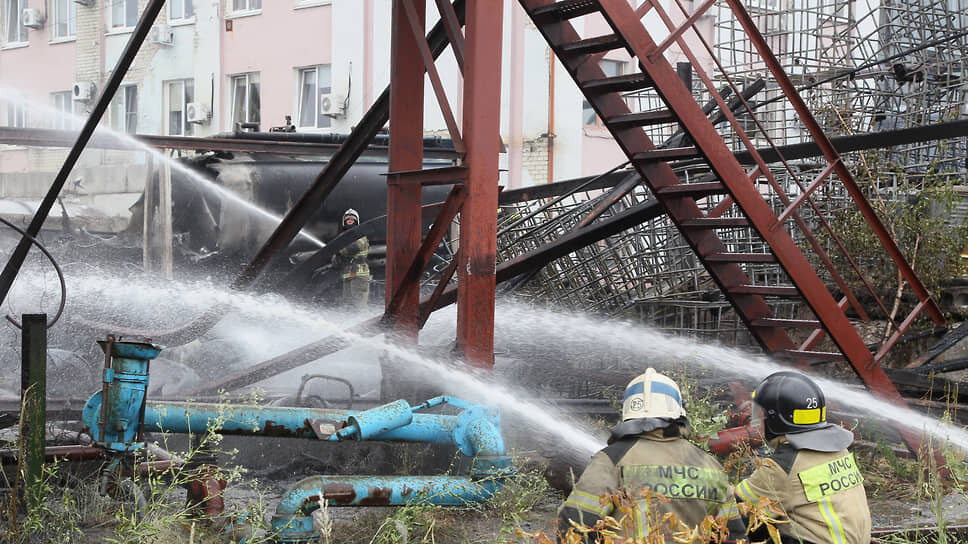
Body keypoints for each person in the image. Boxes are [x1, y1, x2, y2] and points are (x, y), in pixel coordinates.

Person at [558, 368, 745, 543]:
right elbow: (733, 534)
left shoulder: (611, 460)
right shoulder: (708, 463)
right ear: (678, 412)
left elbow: (575, 526)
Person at [735, 371, 870, 544]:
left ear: (775, 419)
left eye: (760, 414)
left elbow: (738, 508)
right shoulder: (839, 450)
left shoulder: (784, 464)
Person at [332, 208, 370, 308]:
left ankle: (362, 322)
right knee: (347, 305)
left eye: (352, 219)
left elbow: (352, 249)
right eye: (347, 219)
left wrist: (336, 247)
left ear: (356, 221)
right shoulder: (342, 237)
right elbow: (336, 259)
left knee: (358, 305)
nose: (349, 220)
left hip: (359, 274)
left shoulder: (360, 236)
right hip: (347, 274)